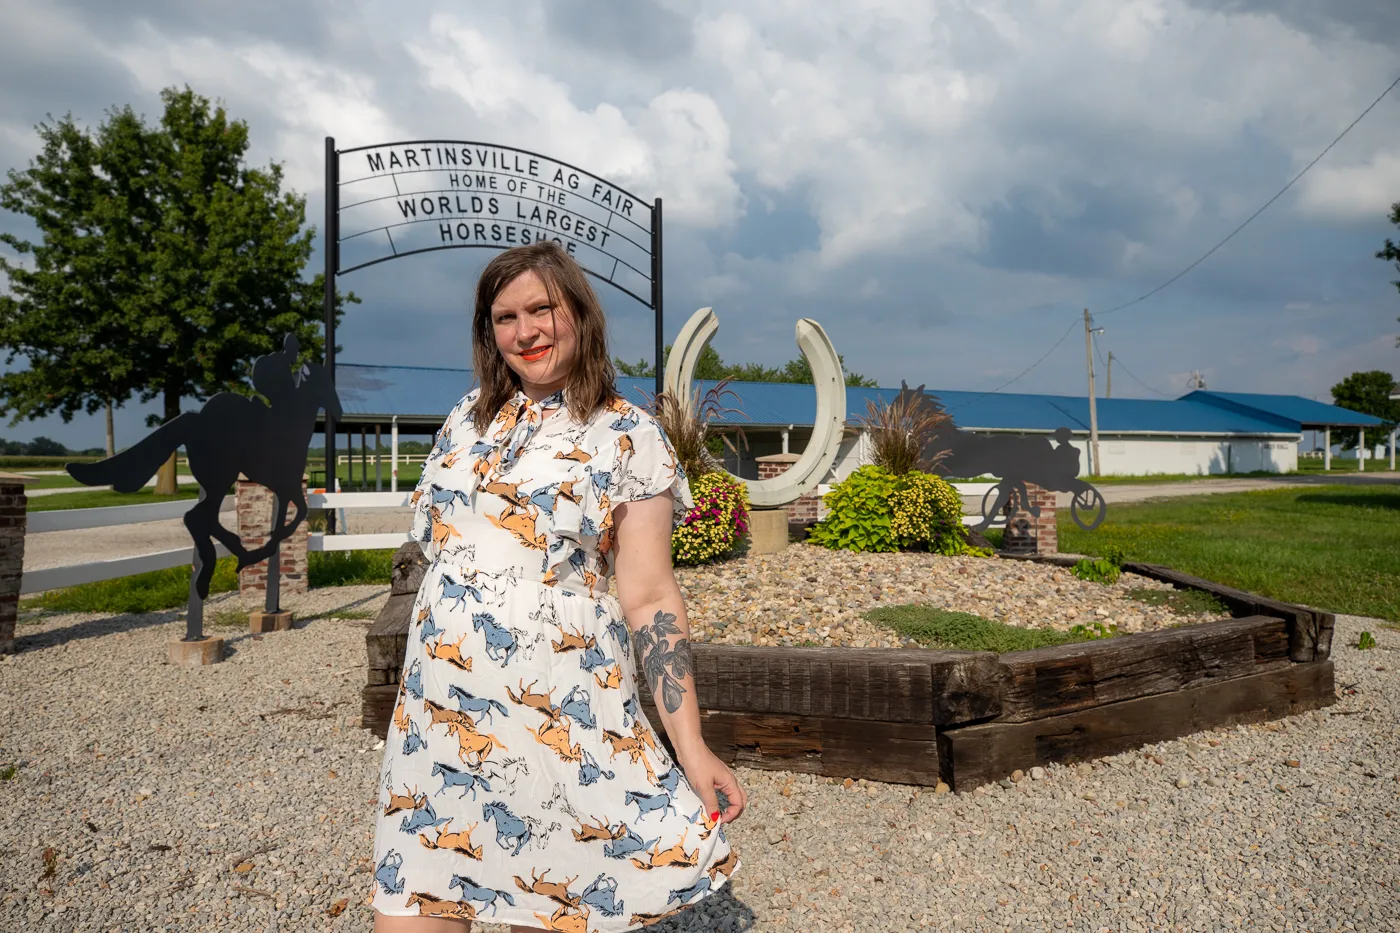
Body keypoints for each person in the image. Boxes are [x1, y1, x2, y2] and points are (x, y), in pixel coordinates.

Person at [368, 241, 746, 932]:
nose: (526, 330)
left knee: (548, 913)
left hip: (562, 727)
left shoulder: (629, 436)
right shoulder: (465, 421)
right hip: (437, 726)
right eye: (505, 316)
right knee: (410, 909)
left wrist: (690, 746)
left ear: (579, 312)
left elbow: (651, 599)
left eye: (542, 308)